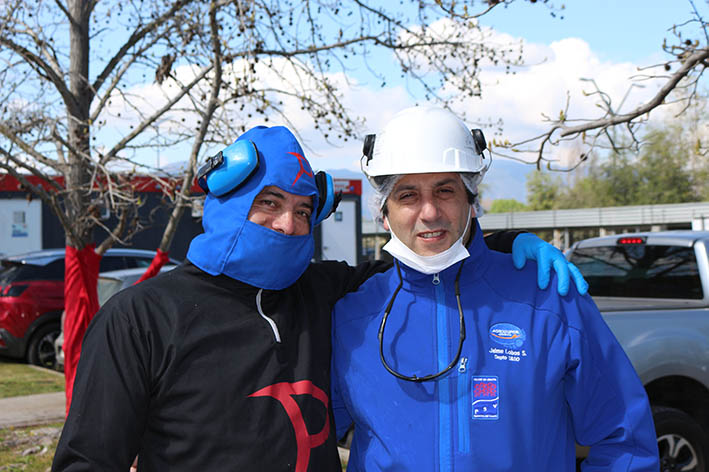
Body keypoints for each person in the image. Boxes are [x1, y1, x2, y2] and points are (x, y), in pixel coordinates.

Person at [53, 124, 586, 471]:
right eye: (269, 203)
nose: (289, 225)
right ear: (227, 199)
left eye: (304, 210)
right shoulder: (142, 318)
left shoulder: (323, 293)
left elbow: (420, 256)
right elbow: (87, 460)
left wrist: (506, 244)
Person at [331, 106, 659, 471]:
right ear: (383, 211)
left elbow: (626, 440)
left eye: (445, 191)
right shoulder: (352, 318)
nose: (429, 212)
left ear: (472, 200)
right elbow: (306, 441)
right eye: (407, 195)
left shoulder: (547, 299)